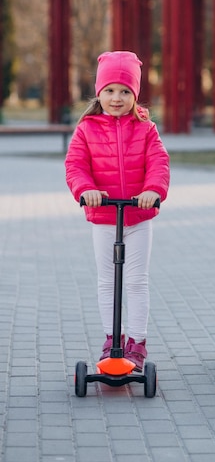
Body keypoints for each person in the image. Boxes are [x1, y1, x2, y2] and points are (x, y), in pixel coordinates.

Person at [65, 51, 170, 371]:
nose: (117, 98)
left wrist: (153, 190)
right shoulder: (87, 129)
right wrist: (86, 191)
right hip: (105, 217)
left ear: (135, 94)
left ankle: (136, 342)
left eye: (125, 91)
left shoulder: (146, 128)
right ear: (99, 92)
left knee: (136, 280)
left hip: (137, 217)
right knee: (107, 280)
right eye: (110, 90)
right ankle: (112, 339)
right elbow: (76, 166)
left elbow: (158, 163)